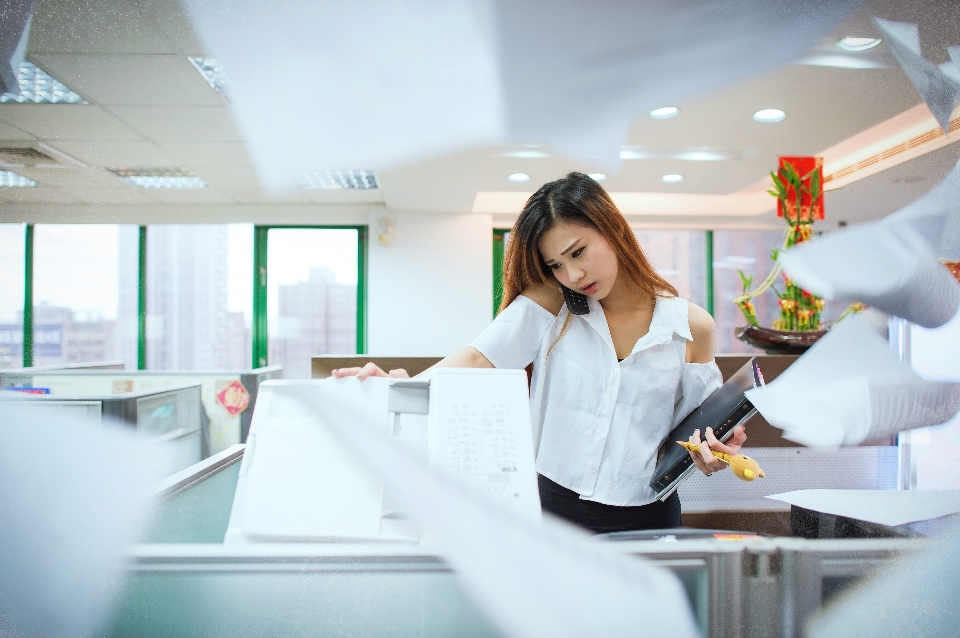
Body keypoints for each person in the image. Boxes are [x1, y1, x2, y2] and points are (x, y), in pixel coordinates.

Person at [333, 172, 747, 534]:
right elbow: (480, 358)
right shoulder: (554, 304)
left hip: (648, 517)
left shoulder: (691, 326)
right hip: (550, 511)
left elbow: (691, 436)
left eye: (578, 252)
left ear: (613, 228)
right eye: (556, 265)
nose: (573, 275)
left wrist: (713, 451)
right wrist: (402, 385)